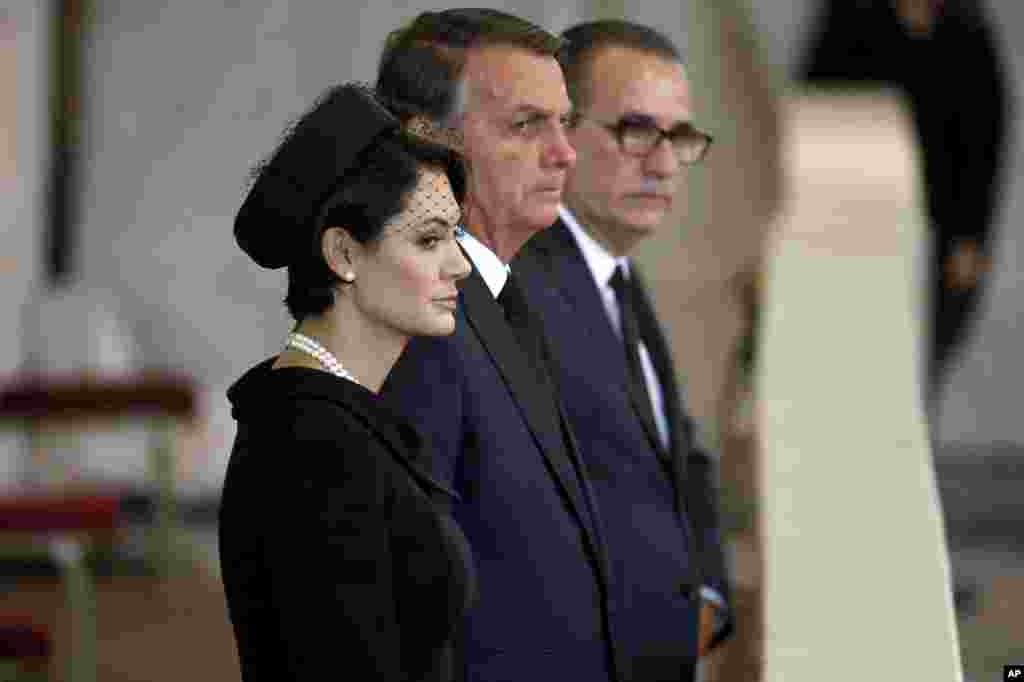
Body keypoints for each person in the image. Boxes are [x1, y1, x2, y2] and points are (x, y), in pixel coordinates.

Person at [375, 10, 619, 681]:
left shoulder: (511, 295)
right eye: (525, 124)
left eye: (564, 122)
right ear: (430, 140)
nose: (564, 151)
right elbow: (409, 605)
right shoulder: (423, 323)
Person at [217, 83, 474, 681]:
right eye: (430, 239)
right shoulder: (315, 442)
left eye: (456, 237)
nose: (459, 264)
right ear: (344, 253)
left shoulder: (332, 419)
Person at [512, 20, 733, 681]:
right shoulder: (515, 286)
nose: (664, 163)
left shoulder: (615, 270)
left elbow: (678, 459)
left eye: (680, 137)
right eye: (636, 131)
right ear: (559, 133)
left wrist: (707, 599)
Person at [799, 0, 1011, 407]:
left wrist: (971, 236)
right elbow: (818, 113)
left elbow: (985, 144)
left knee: (923, 360)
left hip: (944, 228)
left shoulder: (967, 31)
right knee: (858, 355)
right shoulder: (850, 21)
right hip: (858, 216)